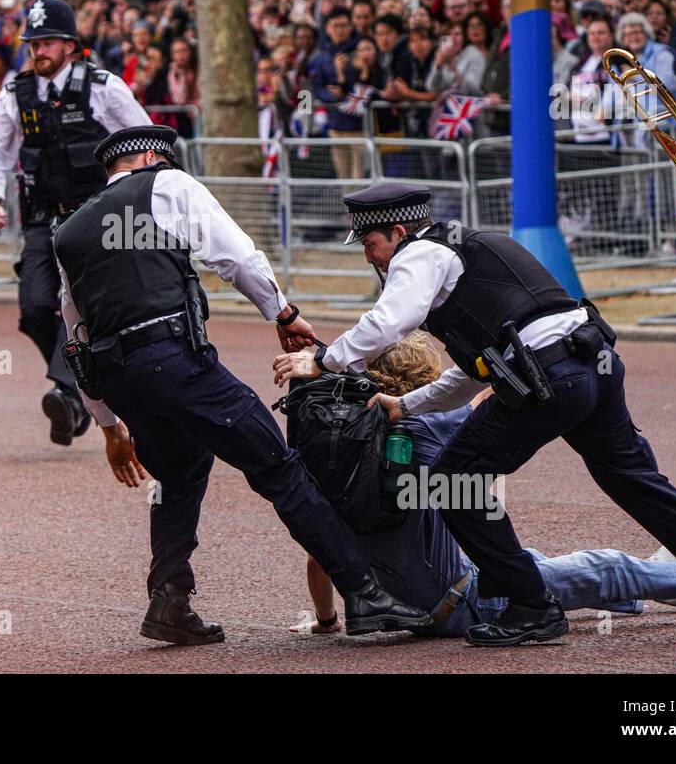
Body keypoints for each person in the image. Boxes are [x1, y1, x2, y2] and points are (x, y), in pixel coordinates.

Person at [272, 185, 676, 647]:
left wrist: (322, 358)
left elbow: (390, 321)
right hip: (591, 362)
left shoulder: (421, 254)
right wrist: (407, 403)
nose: (372, 260)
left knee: (453, 480)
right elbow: (478, 372)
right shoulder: (472, 249)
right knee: (639, 484)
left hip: (552, 377)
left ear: (398, 232)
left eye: (370, 246)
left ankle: (530, 606)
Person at [53, 124, 432, 644]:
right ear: (149, 156)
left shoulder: (69, 230)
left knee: (181, 473)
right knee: (278, 467)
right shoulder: (169, 185)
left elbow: (73, 329)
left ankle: (170, 598)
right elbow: (234, 255)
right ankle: (365, 593)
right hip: (174, 360)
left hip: (119, 379)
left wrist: (107, 423)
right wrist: (282, 311)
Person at [288, 334, 676, 636]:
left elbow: (320, 557)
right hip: (462, 599)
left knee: (541, 561)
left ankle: (672, 576)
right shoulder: (430, 424)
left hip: (406, 604)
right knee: (603, 567)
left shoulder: (350, 452)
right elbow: (488, 403)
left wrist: (329, 621)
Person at [0, 0, 150, 446]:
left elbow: (147, 143)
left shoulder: (104, 86)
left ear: (71, 45)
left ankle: (68, 396)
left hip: (96, 221)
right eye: (33, 42)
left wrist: (140, 201)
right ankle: (81, 381)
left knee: (85, 309)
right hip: (40, 219)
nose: (39, 51)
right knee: (35, 308)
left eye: (48, 41)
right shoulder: (17, 92)